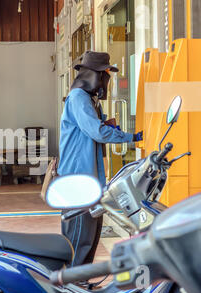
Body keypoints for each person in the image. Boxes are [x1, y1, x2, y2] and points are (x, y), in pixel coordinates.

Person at [58, 51, 143, 267]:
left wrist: (111, 126)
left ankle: (81, 281)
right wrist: (131, 137)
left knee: (90, 234)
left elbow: (100, 129)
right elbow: (97, 132)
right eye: (106, 74)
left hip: (89, 178)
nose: (108, 80)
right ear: (94, 75)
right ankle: (71, 284)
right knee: (78, 237)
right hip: (78, 179)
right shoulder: (78, 98)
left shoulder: (90, 100)